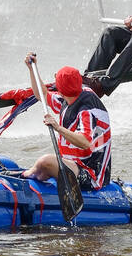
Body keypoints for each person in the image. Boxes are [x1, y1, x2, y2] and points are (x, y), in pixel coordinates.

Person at [22, 56, 112, 190]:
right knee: (45, 163)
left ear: (61, 91)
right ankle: (29, 174)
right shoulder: (72, 95)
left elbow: (85, 142)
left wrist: (58, 128)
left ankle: (22, 176)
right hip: (73, 165)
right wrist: (32, 69)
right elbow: (42, 95)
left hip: (90, 175)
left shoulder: (86, 111)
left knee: (45, 162)